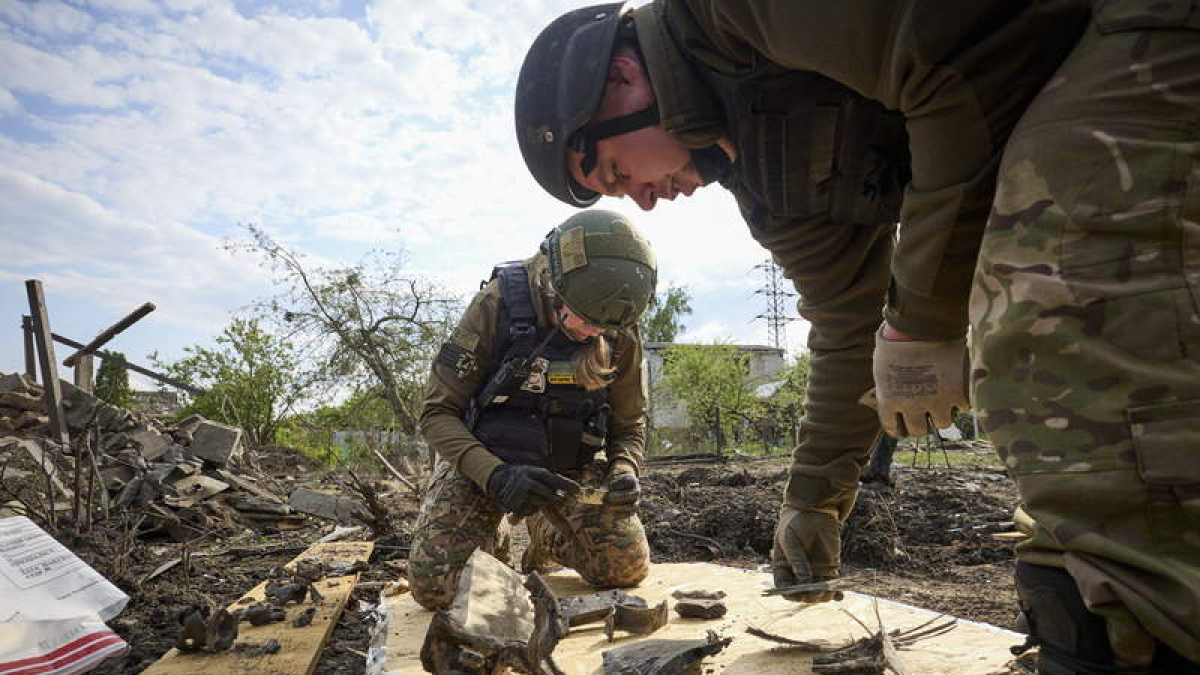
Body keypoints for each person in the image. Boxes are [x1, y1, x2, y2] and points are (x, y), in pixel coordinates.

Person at [512, 2, 1200, 673]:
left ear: (623, 80)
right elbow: (847, 327)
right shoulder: (763, 185)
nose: (641, 199)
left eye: (614, 173)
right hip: (1039, 111)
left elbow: (965, 62)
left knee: (1040, 301)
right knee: (1018, 339)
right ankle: (1088, 604)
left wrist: (924, 317)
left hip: (1123, 32)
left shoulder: (729, 14)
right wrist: (812, 500)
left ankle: (1145, 614)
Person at [408, 209, 656, 624]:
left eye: (602, 327)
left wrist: (623, 470)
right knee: (438, 584)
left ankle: (547, 535)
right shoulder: (497, 305)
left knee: (623, 569)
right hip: (485, 464)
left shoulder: (616, 325)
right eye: (583, 318)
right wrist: (496, 477)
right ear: (552, 285)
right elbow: (437, 414)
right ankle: (494, 534)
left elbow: (629, 426)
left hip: (566, 472)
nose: (591, 333)